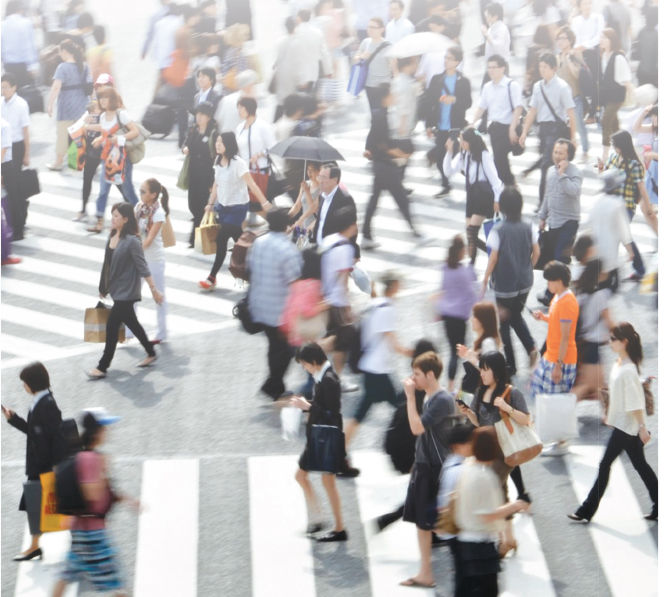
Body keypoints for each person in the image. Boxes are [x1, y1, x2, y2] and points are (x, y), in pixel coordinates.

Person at [568, 322, 658, 523]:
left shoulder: (628, 369)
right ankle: (660, 504)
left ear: (624, 342)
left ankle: (586, 510)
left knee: (604, 464)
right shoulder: (620, 363)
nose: (609, 342)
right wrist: (609, 411)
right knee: (641, 466)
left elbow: (636, 402)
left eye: (613, 339)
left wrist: (642, 428)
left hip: (626, 426)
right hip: (622, 423)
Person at [52, 408, 140, 597]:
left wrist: (129, 500)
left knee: (66, 575)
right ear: (97, 431)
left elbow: (106, 492)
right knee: (117, 583)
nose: (108, 432)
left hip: (82, 531)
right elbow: (91, 494)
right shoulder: (91, 458)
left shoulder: (87, 456)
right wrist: (103, 468)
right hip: (92, 535)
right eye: (105, 428)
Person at [458, 351, 531, 555]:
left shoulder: (512, 393)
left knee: (493, 487)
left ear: (496, 371)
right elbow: (479, 423)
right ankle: (509, 539)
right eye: (480, 369)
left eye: (485, 369)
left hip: (506, 452)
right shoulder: (480, 392)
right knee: (500, 491)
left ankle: (502, 540)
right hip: (489, 450)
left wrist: (507, 407)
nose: (481, 373)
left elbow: (526, 419)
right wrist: (468, 412)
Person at [87, 203, 163, 379]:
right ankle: (151, 352)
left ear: (126, 219)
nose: (112, 219)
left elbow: (142, 267)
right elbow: (107, 263)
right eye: (112, 215)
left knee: (112, 326)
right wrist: (103, 287)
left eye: (116, 216)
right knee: (132, 322)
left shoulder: (132, 241)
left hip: (127, 290)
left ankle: (102, 366)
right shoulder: (112, 235)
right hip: (115, 288)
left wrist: (154, 290)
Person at [400, 351, 456, 589]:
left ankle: (428, 573)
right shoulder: (431, 397)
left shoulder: (441, 400)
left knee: (432, 522)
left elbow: (416, 428)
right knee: (424, 523)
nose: (413, 379)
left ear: (430, 375)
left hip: (435, 467)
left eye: (417, 374)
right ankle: (425, 572)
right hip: (426, 464)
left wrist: (409, 397)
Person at [2, 362, 67, 561]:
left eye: (25, 382)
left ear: (33, 383)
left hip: (45, 465)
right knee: (36, 505)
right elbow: (35, 432)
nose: (24, 386)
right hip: (40, 464)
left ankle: (38, 547)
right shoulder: (41, 400)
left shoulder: (47, 404)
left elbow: (57, 436)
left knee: (54, 506)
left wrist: (57, 466)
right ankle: (34, 547)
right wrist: (14, 419)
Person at [455, 427, 530, 595]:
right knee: (489, 591)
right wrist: (515, 505)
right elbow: (486, 515)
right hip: (481, 544)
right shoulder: (485, 477)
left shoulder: (467, 467)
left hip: (465, 540)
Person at [344, 271, 413, 450]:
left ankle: (340, 450)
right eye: (399, 284)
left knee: (363, 413)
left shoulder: (374, 304)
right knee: (403, 405)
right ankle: (413, 441)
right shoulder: (387, 308)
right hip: (378, 370)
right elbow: (392, 342)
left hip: (371, 367)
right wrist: (413, 353)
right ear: (394, 286)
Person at [199, 132, 271, 290]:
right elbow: (216, 183)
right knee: (240, 241)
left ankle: (212, 277)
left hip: (238, 207)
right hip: (223, 207)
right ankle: (258, 265)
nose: (217, 144)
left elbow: (251, 184)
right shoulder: (218, 161)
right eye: (217, 141)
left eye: (221, 142)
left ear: (229, 144)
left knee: (221, 239)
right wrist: (210, 203)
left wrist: (264, 202)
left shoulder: (238, 163)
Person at [290, 343, 348, 542]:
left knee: (326, 481)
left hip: (326, 438)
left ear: (313, 362)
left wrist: (309, 407)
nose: (304, 367)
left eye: (304, 364)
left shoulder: (329, 379)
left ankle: (337, 527)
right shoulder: (323, 376)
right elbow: (325, 407)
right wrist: (306, 406)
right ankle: (320, 518)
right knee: (304, 477)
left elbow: (332, 414)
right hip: (320, 436)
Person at [482, 187, 540, 377]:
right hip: (525, 282)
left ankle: (511, 365)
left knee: (504, 322)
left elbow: (493, 259)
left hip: (504, 285)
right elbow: (537, 252)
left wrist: (485, 279)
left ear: (503, 207)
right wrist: (527, 268)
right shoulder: (529, 226)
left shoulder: (497, 230)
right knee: (515, 315)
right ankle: (531, 347)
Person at [248, 208, 303, 399]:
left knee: (274, 346)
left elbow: (250, 268)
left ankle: (275, 386)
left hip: (259, 304)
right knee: (287, 349)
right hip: (280, 310)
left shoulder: (259, 242)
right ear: (287, 226)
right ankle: (272, 384)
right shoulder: (287, 249)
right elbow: (295, 282)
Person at [361, 83, 421, 249]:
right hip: (385, 166)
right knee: (401, 198)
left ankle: (366, 236)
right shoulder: (381, 117)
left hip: (380, 165)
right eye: (391, 94)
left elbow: (373, 136)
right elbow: (384, 145)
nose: (394, 96)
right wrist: (402, 155)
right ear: (385, 97)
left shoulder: (381, 114)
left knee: (374, 201)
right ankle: (416, 233)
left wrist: (368, 149)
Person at [529, 261, 579, 456]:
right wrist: (543, 317)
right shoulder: (559, 297)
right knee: (542, 393)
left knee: (554, 399)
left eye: (549, 281)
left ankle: (561, 442)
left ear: (559, 280)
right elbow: (557, 321)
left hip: (561, 359)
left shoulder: (567, 302)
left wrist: (558, 365)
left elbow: (566, 337)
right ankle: (558, 437)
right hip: (551, 355)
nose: (547, 285)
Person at [519, 52, 577, 209]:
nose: (542, 70)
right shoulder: (538, 86)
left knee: (546, 165)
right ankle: (556, 200)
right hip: (543, 130)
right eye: (540, 67)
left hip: (556, 130)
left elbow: (571, 113)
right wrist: (524, 131)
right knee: (552, 166)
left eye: (545, 67)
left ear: (554, 68)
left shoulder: (562, 87)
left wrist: (573, 138)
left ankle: (542, 203)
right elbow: (532, 110)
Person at [599, 130, 658, 281]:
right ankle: (635, 269)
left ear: (621, 145)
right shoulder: (613, 158)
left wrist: (649, 207)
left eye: (614, 144)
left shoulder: (634, 164)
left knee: (619, 235)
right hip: (611, 205)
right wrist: (601, 169)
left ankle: (611, 272)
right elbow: (606, 179)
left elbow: (642, 188)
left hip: (626, 207)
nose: (613, 146)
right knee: (622, 236)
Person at [443, 126, 503, 265]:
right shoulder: (464, 154)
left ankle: (478, 262)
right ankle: (492, 255)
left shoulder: (483, 155)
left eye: (463, 141)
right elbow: (448, 171)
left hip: (483, 196)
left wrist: (497, 200)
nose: (461, 143)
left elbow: (496, 181)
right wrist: (449, 152)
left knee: (471, 231)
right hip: (471, 195)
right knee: (471, 237)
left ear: (471, 142)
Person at [84, 87, 141, 233]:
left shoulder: (121, 114)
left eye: (105, 97)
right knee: (103, 191)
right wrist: (99, 140)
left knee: (128, 191)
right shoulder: (103, 116)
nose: (103, 101)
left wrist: (119, 139)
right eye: (100, 98)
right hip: (107, 158)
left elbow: (135, 131)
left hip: (123, 159)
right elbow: (105, 132)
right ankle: (99, 222)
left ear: (112, 99)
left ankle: (141, 218)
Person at [319, 206, 359, 393]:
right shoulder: (345, 248)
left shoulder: (328, 240)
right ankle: (337, 379)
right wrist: (348, 306)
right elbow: (343, 280)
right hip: (337, 300)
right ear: (350, 225)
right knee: (342, 342)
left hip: (323, 297)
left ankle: (321, 372)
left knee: (331, 337)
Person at [423, 46, 472, 197]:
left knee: (458, 157)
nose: (446, 61)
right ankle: (446, 185)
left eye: (450, 58)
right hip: (440, 125)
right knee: (440, 158)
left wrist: (454, 100)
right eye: (446, 57)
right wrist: (428, 125)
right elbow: (429, 103)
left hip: (455, 126)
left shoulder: (463, 81)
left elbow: (468, 103)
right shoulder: (437, 79)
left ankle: (475, 180)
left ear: (457, 62)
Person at [435, 422, 475, 596]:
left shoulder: (451, 463)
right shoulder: (459, 470)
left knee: (463, 573)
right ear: (458, 445)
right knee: (465, 576)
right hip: (459, 532)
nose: (474, 445)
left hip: (454, 531)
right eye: (471, 442)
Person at [582, 169, 635, 294]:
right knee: (609, 285)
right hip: (610, 250)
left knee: (600, 280)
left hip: (595, 249)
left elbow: (588, 222)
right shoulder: (617, 204)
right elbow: (623, 230)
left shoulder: (597, 200)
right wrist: (630, 250)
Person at [473, 54, 523, 186]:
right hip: (494, 128)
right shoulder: (487, 87)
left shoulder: (512, 85)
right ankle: (509, 185)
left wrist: (512, 129)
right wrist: (472, 122)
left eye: (494, 67)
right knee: (499, 159)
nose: (490, 70)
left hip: (508, 127)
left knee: (499, 158)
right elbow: (481, 107)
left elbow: (518, 108)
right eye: (489, 67)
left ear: (502, 68)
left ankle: (509, 184)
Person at [437, 235, 477, 392]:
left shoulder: (445, 268)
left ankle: (451, 385)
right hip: (459, 316)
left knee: (453, 351)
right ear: (460, 251)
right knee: (462, 351)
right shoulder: (463, 271)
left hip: (447, 315)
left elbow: (443, 288)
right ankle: (467, 383)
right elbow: (470, 293)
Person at [538, 138, 583, 280]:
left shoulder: (575, 172)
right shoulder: (550, 171)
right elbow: (547, 195)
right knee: (554, 258)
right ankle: (563, 283)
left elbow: (574, 191)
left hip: (569, 222)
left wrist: (562, 174)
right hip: (553, 222)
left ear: (569, 155)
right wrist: (542, 216)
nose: (557, 156)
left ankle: (555, 289)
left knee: (559, 258)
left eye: (561, 153)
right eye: (555, 152)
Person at [46, 39, 93, 171]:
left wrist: (50, 104)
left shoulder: (62, 67)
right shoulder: (84, 66)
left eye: (60, 51)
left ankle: (58, 162)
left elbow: (56, 87)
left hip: (66, 107)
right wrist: (94, 103)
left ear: (65, 51)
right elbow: (91, 87)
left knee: (62, 135)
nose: (60, 54)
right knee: (80, 135)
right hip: (82, 106)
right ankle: (82, 161)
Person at [132, 179, 169, 344]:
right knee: (132, 294)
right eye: (140, 190)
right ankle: (129, 332)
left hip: (154, 260)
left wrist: (134, 251)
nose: (140, 194)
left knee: (158, 295)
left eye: (143, 191)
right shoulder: (138, 208)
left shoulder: (158, 213)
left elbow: (149, 239)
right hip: (140, 259)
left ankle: (162, 332)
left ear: (153, 195)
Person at [571, 258, 614, 402]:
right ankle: (560, 409)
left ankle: (610, 413)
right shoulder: (600, 295)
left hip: (584, 344)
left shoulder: (581, 293)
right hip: (592, 345)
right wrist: (623, 336)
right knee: (590, 387)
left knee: (600, 386)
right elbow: (609, 321)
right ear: (599, 274)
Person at [181, 101, 217, 247]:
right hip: (193, 173)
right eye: (198, 113)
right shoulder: (193, 130)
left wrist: (212, 182)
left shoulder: (213, 133)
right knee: (192, 205)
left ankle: (195, 240)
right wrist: (184, 149)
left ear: (209, 117)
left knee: (200, 206)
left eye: (202, 114)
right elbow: (185, 143)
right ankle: (204, 237)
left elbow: (216, 158)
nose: (199, 117)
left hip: (206, 175)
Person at [235, 96, 277, 215]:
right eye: (238, 108)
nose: (239, 111)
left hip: (259, 170)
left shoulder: (262, 126)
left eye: (241, 108)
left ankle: (276, 222)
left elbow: (273, 146)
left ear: (249, 108)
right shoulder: (240, 127)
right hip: (244, 171)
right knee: (245, 204)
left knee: (261, 204)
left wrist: (259, 154)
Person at [0, 74, 30, 241]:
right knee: (12, 189)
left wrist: (27, 154)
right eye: (1, 87)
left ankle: (19, 225)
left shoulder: (21, 104)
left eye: (5, 87)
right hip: (4, 148)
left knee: (14, 189)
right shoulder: (1, 102)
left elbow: (25, 131)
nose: (3, 90)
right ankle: (15, 221)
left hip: (15, 147)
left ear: (14, 87)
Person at [599, 28, 632, 163]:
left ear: (611, 40)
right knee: (614, 125)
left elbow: (626, 79)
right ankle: (622, 153)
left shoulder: (618, 57)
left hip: (617, 96)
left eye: (604, 38)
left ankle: (605, 154)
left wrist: (634, 94)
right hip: (607, 96)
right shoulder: (603, 56)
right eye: (601, 38)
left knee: (606, 120)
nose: (601, 40)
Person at [556, 26, 589, 162]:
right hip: (560, 100)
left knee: (579, 126)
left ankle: (585, 149)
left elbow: (576, 74)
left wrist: (569, 59)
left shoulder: (576, 54)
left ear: (570, 40)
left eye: (563, 38)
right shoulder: (556, 57)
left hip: (574, 97)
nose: (560, 41)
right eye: (558, 39)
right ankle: (566, 152)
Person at [571, 0, 604, 120]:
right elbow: (575, 37)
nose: (587, 6)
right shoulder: (576, 20)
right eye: (585, 3)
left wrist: (585, 45)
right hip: (580, 54)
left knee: (595, 82)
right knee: (581, 82)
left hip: (593, 53)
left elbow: (599, 36)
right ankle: (586, 108)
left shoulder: (598, 18)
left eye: (589, 3)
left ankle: (595, 110)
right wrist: (579, 48)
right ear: (579, 6)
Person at [312, 163, 357, 247]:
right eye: (319, 177)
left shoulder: (345, 199)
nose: (320, 181)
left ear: (335, 180)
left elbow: (351, 228)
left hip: (335, 248)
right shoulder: (322, 197)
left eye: (324, 178)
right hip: (320, 247)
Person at [354, 17, 393, 112]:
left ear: (382, 29)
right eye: (369, 27)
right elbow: (355, 59)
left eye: (373, 27)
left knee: (382, 112)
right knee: (373, 111)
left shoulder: (388, 47)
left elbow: (393, 67)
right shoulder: (365, 42)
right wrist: (362, 57)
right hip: (369, 84)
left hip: (383, 85)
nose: (370, 30)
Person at [271, 17, 303, 122]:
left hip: (281, 73)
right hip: (292, 75)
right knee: (293, 101)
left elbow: (277, 59)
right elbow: (298, 62)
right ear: (295, 27)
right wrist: (300, 80)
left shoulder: (280, 41)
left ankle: (276, 123)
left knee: (280, 101)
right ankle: (293, 123)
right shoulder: (297, 42)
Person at [1, 0, 39, 88]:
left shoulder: (2, 25)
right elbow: (29, 46)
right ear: (19, 9)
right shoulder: (25, 23)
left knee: (12, 91)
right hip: (23, 66)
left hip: (8, 66)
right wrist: (32, 66)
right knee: (26, 91)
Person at [294, 9, 333, 93]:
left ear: (299, 18)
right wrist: (328, 70)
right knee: (313, 95)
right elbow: (324, 53)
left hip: (299, 71)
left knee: (299, 96)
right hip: (315, 70)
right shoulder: (318, 32)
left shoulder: (294, 33)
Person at [633, 6, 658, 89]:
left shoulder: (641, 32)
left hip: (641, 71)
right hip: (653, 73)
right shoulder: (657, 34)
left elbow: (635, 50)